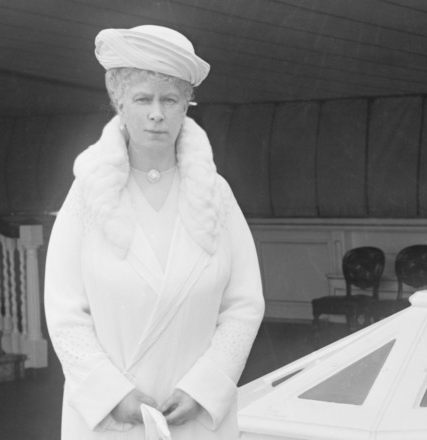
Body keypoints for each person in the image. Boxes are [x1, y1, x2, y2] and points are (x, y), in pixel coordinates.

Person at [44, 25, 265, 439]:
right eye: (143, 99)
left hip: (196, 420)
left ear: (187, 107)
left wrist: (204, 387)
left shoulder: (215, 193)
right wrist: (112, 394)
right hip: (111, 421)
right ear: (120, 105)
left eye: (171, 100)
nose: (156, 114)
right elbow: (64, 313)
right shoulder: (88, 192)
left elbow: (244, 305)